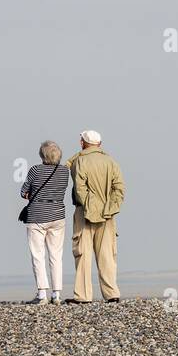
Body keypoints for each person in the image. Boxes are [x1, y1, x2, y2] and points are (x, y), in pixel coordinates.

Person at [66, 130, 126, 303]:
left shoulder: (79, 160)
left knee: (82, 254)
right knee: (107, 254)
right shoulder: (111, 161)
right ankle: (112, 293)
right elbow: (119, 189)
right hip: (107, 214)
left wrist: (90, 208)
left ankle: (83, 296)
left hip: (84, 212)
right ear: (99, 144)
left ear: (82, 143)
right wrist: (109, 208)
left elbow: (79, 188)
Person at [19, 140, 70, 305]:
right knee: (56, 256)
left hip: (37, 216)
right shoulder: (64, 172)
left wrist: (33, 194)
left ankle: (42, 294)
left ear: (42, 155)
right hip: (57, 215)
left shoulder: (35, 170)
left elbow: (23, 191)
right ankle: (56, 294)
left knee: (38, 255)